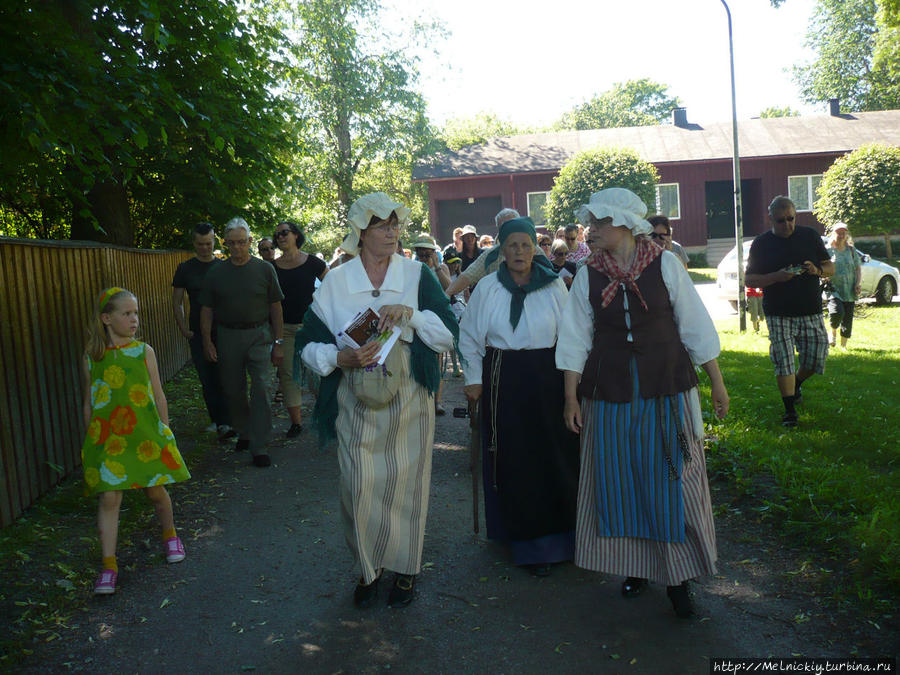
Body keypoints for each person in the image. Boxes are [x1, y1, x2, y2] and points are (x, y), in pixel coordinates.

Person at [556, 188, 729, 618]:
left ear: (624, 225)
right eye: (590, 223)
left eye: (599, 223)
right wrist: (569, 398)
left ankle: (678, 577)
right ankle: (635, 567)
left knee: (671, 478)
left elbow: (695, 327)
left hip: (664, 388)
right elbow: (575, 337)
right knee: (621, 478)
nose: (590, 230)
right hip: (611, 392)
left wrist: (717, 384)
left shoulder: (665, 264)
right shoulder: (588, 275)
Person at [296, 192, 457, 608]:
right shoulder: (336, 282)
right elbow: (308, 347)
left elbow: (446, 334)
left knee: (407, 485)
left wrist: (413, 314)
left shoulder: (416, 274)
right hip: (355, 392)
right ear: (360, 232)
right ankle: (369, 568)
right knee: (358, 485)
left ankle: (406, 569)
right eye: (381, 225)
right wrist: (338, 356)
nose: (392, 232)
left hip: (409, 393)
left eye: (394, 224)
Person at [460, 217, 579, 577]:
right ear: (500, 249)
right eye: (512, 245)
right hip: (503, 377)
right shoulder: (488, 288)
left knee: (554, 454)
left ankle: (563, 538)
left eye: (526, 244)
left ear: (536, 248)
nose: (519, 252)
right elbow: (468, 335)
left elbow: (572, 336)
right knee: (514, 456)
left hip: (549, 376)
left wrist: (573, 391)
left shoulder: (555, 286)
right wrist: (473, 379)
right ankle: (525, 541)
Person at [81, 287, 191, 595]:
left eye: (136, 313)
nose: (134, 320)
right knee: (109, 498)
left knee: (156, 490)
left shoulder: (144, 351)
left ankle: (170, 535)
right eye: (126, 314)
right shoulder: (92, 357)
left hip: (144, 436)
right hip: (108, 441)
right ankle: (108, 565)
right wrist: (90, 439)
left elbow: (158, 395)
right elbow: (88, 402)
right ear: (106, 318)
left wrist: (165, 431)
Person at [200, 217, 285, 467]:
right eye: (232, 243)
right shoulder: (216, 272)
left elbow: (276, 306)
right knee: (233, 390)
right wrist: (207, 340)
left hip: (260, 334)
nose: (237, 247)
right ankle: (244, 431)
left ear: (249, 241)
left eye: (242, 242)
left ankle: (260, 445)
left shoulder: (264, 269)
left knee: (261, 386)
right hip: (228, 335)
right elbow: (206, 309)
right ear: (225, 244)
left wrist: (278, 341)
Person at [744, 196, 834, 427]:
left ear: (796, 215)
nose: (787, 225)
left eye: (791, 219)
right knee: (783, 360)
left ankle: (796, 385)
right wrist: (776, 277)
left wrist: (817, 270)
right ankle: (789, 411)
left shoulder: (810, 236)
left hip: (810, 309)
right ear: (771, 219)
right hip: (778, 312)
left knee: (816, 358)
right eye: (781, 221)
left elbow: (830, 267)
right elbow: (750, 279)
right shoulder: (761, 244)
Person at [171, 222, 233, 439]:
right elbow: (177, 301)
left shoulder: (225, 266)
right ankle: (217, 420)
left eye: (208, 244)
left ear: (214, 241)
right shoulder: (185, 269)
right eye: (200, 244)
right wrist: (183, 328)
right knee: (207, 377)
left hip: (224, 329)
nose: (204, 248)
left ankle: (228, 421)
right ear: (194, 243)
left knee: (226, 375)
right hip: (197, 330)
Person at [273, 220, 328, 437]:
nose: (281, 237)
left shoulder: (313, 263)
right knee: (288, 376)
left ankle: (326, 415)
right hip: (284, 329)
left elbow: (333, 287)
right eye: (277, 235)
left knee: (317, 372)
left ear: (296, 235)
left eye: (285, 232)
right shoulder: (273, 268)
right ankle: (296, 423)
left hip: (311, 328)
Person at [445, 209, 554, 298]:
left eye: (512, 225)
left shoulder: (535, 250)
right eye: (504, 228)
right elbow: (468, 275)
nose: (509, 230)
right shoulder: (492, 255)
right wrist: (447, 294)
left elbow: (550, 277)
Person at [824, 222, 862, 348]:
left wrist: (857, 283)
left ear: (846, 234)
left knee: (847, 319)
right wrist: (823, 276)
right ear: (833, 234)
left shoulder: (851, 250)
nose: (841, 235)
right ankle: (833, 331)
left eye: (843, 232)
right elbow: (822, 266)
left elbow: (857, 268)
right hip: (833, 288)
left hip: (849, 288)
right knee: (837, 312)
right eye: (838, 232)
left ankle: (843, 347)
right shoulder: (828, 250)